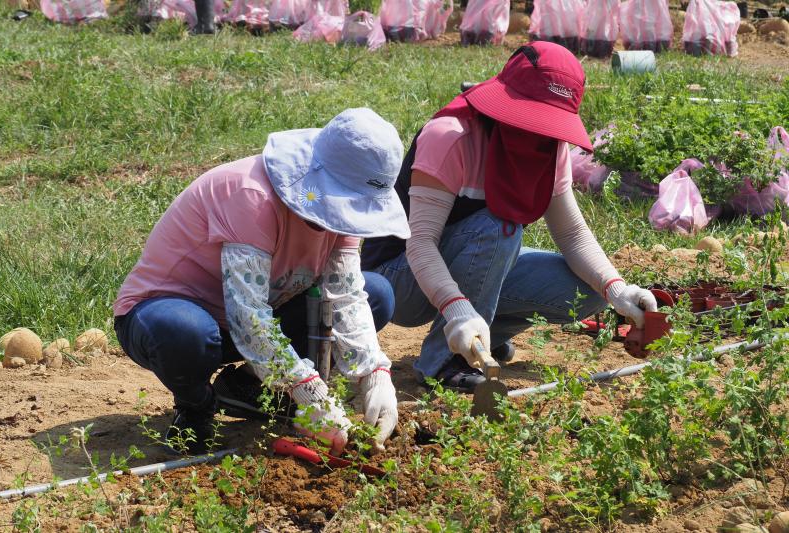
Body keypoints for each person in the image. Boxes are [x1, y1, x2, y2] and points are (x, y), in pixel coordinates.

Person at [361, 41, 657, 392]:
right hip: (401, 277)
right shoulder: (453, 136)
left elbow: (573, 233)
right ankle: (445, 361)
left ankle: (480, 337)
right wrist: (457, 309)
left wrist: (617, 288)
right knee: (500, 226)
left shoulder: (550, 147)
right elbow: (420, 243)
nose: (539, 132)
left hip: (469, 263)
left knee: (587, 292)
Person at [114, 108, 409, 455]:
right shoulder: (252, 196)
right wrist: (308, 389)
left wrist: (374, 375)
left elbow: (346, 295)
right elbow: (248, 314)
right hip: (170, 318)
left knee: (376, 294)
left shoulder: (339, 220)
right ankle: (196, 406)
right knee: (185, 332)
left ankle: (244, 387)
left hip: (257, 314)